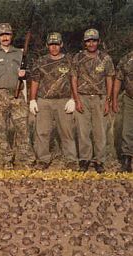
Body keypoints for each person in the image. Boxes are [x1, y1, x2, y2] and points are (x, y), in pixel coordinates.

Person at [0, 23, 34, 169]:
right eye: (2, 35)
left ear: (12, 36)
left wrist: (25, 74)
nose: (5, 37)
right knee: (1, 130)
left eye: (7, 34)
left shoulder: (20, 53)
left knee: (23, 128)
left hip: (17, 96)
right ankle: (7, 160)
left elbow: (28, 75)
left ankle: (26, 160)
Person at [30, 32, 77, 170]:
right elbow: (35, 81)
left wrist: (73, 99)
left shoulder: (69, 60)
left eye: (56, 44)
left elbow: (74, 80)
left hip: (64, 101)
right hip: (44, 101)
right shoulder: (40, 61)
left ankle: (71, 159)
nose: (54, 47)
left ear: (61, 44)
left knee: (67, 132)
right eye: (51, 44)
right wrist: (33, 100)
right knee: (42, 132)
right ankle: (43, 159)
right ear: (47, 46)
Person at [71, 29, 114, 173]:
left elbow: (109, 78)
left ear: (98, 41)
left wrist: (108, 100)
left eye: (94, 40)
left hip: (100, 98)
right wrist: (76, 99)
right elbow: (74, 78)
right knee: (83, 130)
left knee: (100, 131)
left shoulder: (106, 58)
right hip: (82, 97)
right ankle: (84, 159)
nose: (91, 43)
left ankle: (99, 160)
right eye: (88, 41)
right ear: (84, 43)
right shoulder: (78, 58)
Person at [112, 50, 133, 172]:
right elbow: (118, 79)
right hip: (129, 99)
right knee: (127, 129)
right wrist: (114, 100)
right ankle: (126, 161)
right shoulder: (126, 59)